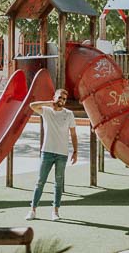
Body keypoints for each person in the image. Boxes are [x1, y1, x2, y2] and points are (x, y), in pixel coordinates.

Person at [25, 87, 78, 221]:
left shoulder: (69, 114)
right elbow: (32, 105)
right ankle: (32, 210)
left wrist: (75, 151)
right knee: (40, 182)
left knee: (58, 183)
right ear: (54, 97)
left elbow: (73, 133)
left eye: (64, 99)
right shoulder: (46, 111)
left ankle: (55, 211)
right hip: (47, 152)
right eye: (59, 97)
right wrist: (49, 103)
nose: (61, 100)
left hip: (62, 154)